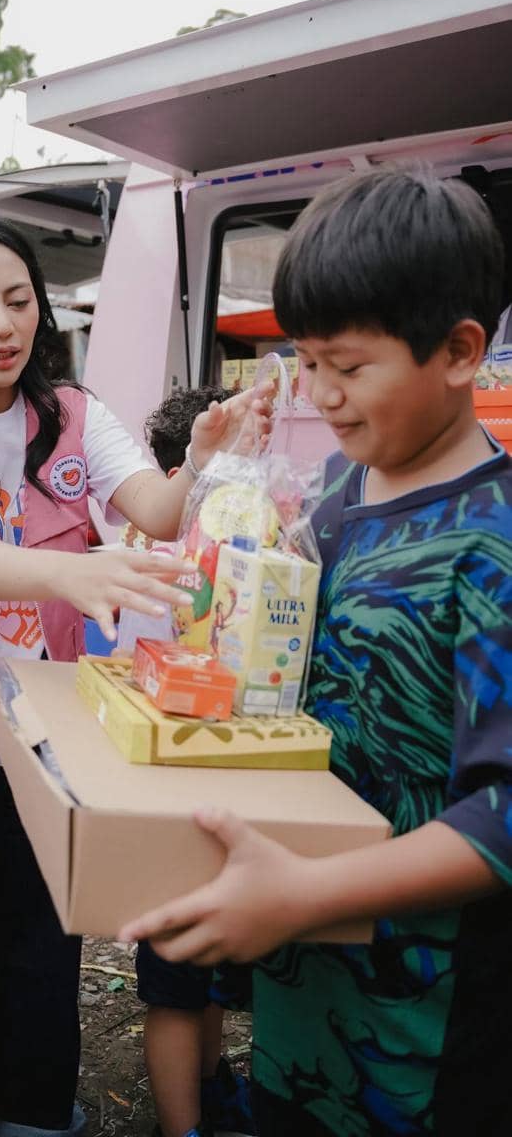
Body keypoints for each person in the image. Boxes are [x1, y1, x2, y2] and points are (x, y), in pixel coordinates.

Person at [0, 213, 269, 1137]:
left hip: (47, 749)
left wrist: (201, 458)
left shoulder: (72, 413)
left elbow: (155, 509)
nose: (3, 325)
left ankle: (35, 1119)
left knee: (40, 966)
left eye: (18, 300)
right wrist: (70, 573)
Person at [120, 165, 512, 1136]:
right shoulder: (330, 496)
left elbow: (503, 810)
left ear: (460, 351)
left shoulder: (493, 540)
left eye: (348, 366)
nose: (321, 395)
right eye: (304, 362)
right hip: (304, 984)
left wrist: (305, 892)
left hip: (429, 1021)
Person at [136, 385, 255, 1137]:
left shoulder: (242, 545)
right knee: (177, 985)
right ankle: (181, 1125)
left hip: (222, 792)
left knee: (205, 974)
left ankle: (212, 1091)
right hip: (174, 795)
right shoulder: (162, 563)